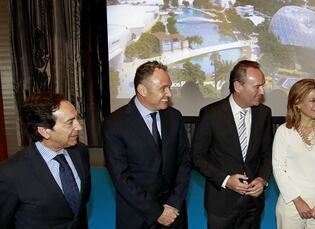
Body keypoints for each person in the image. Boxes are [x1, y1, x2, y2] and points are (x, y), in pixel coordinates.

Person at [103, 61, 191, 229]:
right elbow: (121, 177)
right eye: (163, 88)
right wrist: (156, 212)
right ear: (142, 90)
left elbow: (184, 162)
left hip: (174, 214)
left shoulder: (174, 117)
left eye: (169, 87)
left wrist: (173, 203)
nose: (169, 93)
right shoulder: (115, 123)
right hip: (138, 216)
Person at [191, 60, 273, 229]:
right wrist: (226, 180)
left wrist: (263, 179)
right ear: (238, 86)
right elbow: (196, 157)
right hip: (221, 202)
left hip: (253, 203)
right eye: (257, 86)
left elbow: (267, 152)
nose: (262, 91)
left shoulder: (264, 113)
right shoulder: (211, 114)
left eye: (262, 86)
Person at [0, 93, 91, 228]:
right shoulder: (10, 173)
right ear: (44, 131)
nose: (78, 126)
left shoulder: (80, 151)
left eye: (76, 118)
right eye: (70, 122)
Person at [272, 79, 315, 229]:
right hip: (290, 202)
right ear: (297, 102)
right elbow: (278, 168)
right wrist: (297, 200)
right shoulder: (283, 131)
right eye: (313, 100)